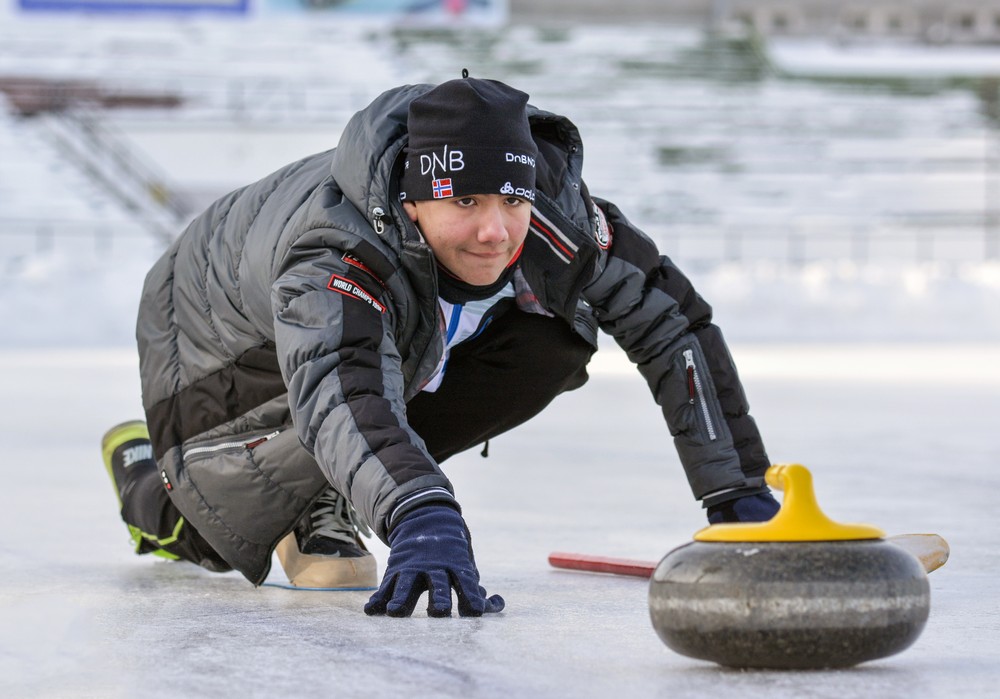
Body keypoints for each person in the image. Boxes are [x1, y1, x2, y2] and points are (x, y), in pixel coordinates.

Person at [100, 75, 779, 618]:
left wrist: (737, 490)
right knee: (215, 526)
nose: (495, 231)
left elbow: (671, 321)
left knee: (553, 340)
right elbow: (341, 382)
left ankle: (342, 487)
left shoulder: (554, 213)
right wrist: (421, 511)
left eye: (512, 201)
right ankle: (143, 471)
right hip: (207, 335)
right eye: (466, 202)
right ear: (413, 202)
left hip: (360, 338)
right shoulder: (335, 248)